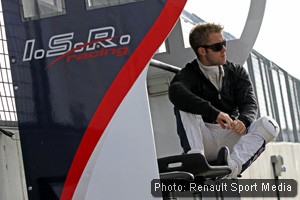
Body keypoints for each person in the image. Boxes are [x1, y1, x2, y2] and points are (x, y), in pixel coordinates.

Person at [168, 22, 279, 178]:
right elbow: (175, 92)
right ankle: (196, 160)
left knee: (269, 124)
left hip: (230, 135)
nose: (224, 49)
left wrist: (244, 120)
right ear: (202, 51)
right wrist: (215, 113)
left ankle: (230, 168)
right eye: (218, 46)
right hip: (203, 138)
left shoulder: (237, 71)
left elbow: (249, 103)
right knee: (183, 104)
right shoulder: (189, 74)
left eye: (224, 43)